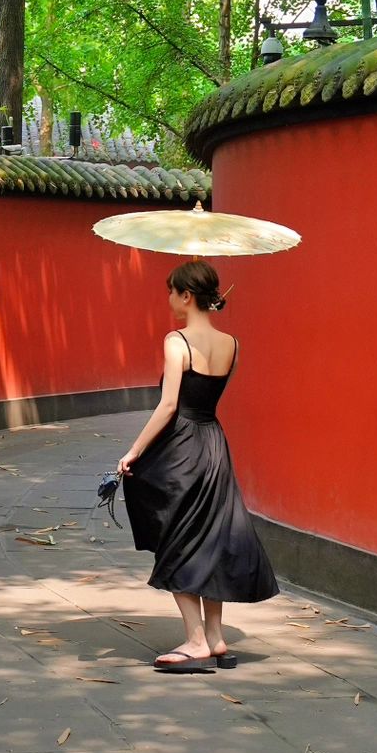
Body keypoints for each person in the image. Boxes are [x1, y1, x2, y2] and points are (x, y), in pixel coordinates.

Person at [118, 258, 278, 671]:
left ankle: (195, 642)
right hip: (214, 444)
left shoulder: (177, 341)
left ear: (187, 295)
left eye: (172, 292)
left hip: (183, 447)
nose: (169, 300)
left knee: (178, 539)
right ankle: (216, 638)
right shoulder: (233, 344)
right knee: (210, 540)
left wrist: (133, 450)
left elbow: (170, 405)